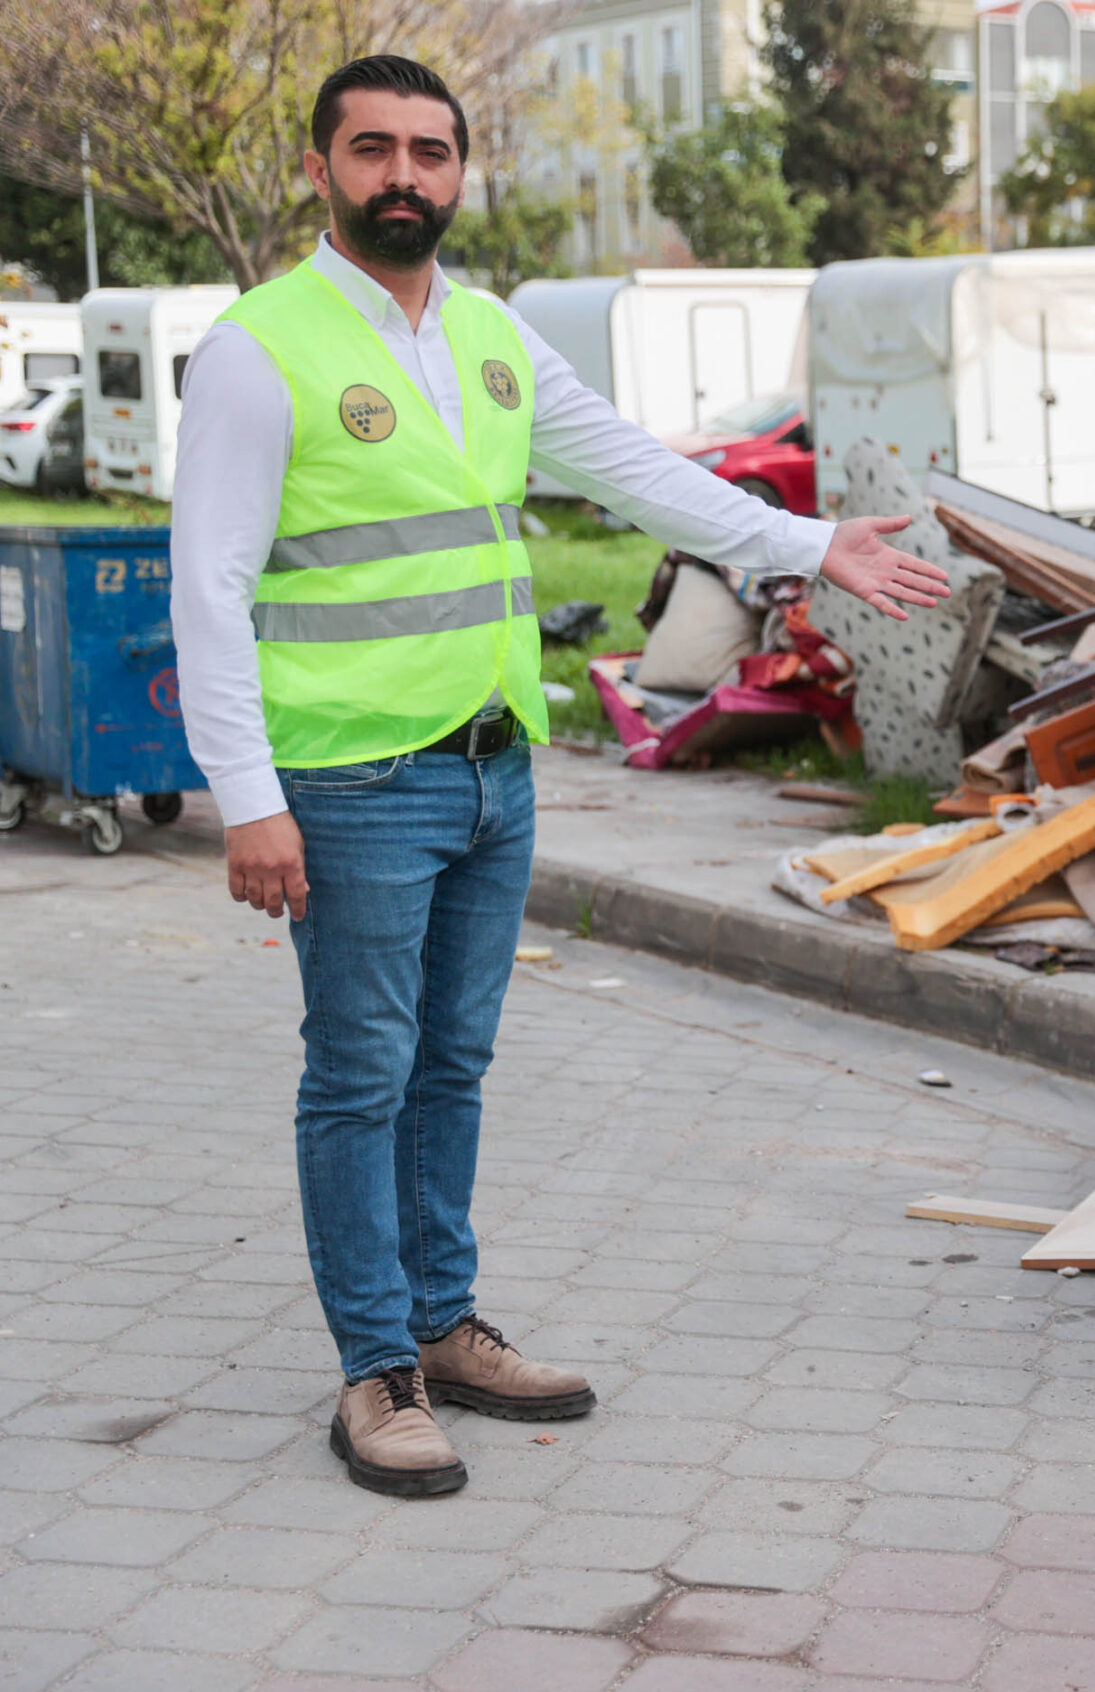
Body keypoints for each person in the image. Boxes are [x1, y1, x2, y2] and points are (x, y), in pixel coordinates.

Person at [168, 55, 948, 1498]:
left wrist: (805, 542)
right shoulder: (256, 348)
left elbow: (636, 470)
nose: (404, 175)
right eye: (373, 150)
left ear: (462, 172)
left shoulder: (494, 336)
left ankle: (443, 1321)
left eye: (431, 152)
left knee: (449, 1066)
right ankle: (375, 1369)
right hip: (348, 783)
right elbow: (207, 591)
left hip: (488, 772)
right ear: (320, 169)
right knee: (358, 1078)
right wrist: (248, 795)